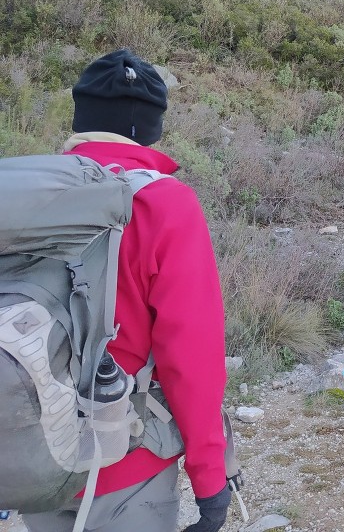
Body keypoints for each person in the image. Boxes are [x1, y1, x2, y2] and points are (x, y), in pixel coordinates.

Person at [22, 50, 230, 532]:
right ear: (151, 128)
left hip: (32, 455)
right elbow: (191, 357)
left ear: (81, 116)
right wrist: (210, 477)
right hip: (128, 465)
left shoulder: (24, 197)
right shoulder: (164, 204)